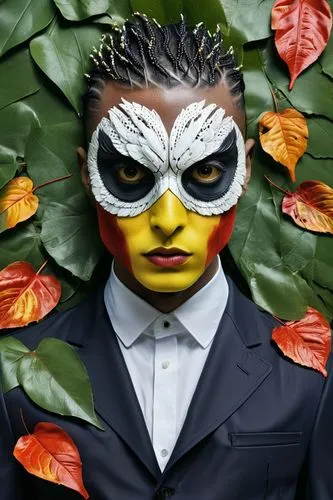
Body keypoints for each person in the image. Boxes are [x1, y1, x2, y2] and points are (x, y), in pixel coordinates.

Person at [0, 14, 332, 500]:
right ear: (88, 174)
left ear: (245, 169)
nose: (168, 218)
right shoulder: (15, 380)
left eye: (205, 172)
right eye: (132, 174)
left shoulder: (310, 379)